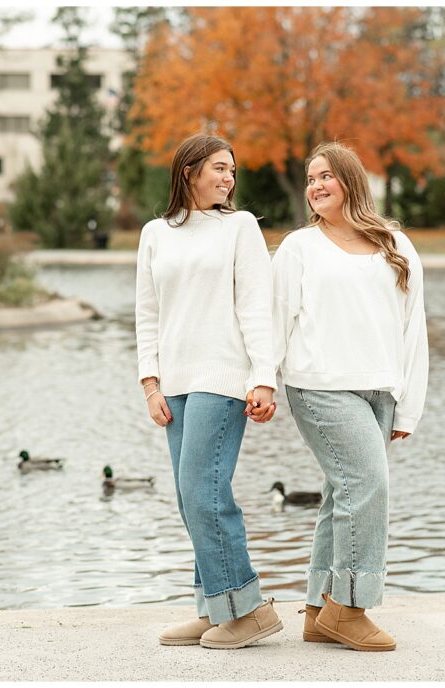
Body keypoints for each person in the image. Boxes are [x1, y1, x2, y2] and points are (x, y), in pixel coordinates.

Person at [267, 141, 428, 651]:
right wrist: (262, 381)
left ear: (351, 181)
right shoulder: (298, 247)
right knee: (368, 484)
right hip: (318, 385)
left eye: (325, 176)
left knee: (343, 493)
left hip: (379, 389)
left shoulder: (395, 245)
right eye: (310, 178)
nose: (315, 186)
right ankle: (351, 606)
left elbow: (412, 328)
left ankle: (319, 609)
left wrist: (409, 403)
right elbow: (275, 321)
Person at [135, 133, 282, 650]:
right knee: (187, 495)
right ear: (188, 171)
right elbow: (147, 313)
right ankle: (212, 606)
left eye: (232, 171)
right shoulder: (155, 233)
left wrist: (264, 376)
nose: (228, 178)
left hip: (222, 378)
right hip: (173, 382)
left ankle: (247, 609)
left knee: (204, 491)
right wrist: (149, 383)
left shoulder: (240, 228)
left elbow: (256, 306)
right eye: (219, 168)